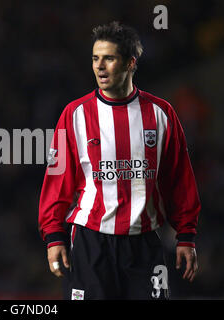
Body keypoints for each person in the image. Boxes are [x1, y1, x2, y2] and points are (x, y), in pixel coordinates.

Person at [38, 21, 200, 300]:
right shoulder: (74, 114)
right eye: (95, 59)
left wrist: (185, 235)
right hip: (92, 243)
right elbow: (58, 179)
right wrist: (54, 235)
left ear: (130, 63)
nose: (100, 66)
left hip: (144, 244)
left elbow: (179, 178)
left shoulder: (161, 113)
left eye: (109, 58)